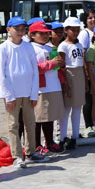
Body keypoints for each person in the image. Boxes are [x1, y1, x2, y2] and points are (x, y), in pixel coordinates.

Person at [0, 17, 45, 168]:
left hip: (28, 91)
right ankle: (17, 155)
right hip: (12, 92)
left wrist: (34, 93)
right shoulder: (3, 48)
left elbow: (35, 71)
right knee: (13, 124)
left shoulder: (28, 47)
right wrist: (8, 95)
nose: (20, 32)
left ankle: (31, 152)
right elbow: (0, 73)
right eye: (17, 29)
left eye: (23, 29)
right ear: (8, 29)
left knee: (31, 123)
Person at [30, 21, 64, 153]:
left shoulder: (51, 48)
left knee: (49, 116)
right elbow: (33, 69)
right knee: (38, 118)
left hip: (53, 86)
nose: (45, 36)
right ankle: (37, 144)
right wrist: (51, 64)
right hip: (40, 87)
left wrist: (61, 63)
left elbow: (58, 66)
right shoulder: (31, 49)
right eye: (41, 33)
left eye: (46, 33)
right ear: (32, 35)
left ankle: (49, 142)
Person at [57, 17, 87, 148]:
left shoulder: (79, 45)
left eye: (77, 30)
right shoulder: (63, 46)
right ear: (66, 30)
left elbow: (82, 63)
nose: (75, 32)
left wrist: (85, 80)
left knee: (77, 107)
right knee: (67, 107)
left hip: (79, 73)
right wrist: (65, 84)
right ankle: (63, 136)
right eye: (72, 30)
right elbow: (62, 66)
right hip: (69, 74)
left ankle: (75, 135)